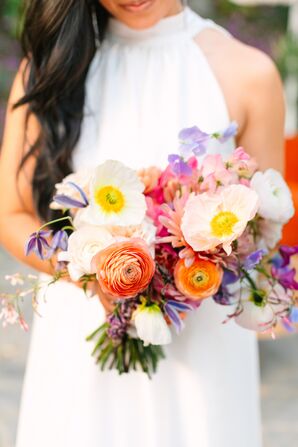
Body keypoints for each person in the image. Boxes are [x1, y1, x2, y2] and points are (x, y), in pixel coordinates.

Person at [0, 0, 285, 446]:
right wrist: (96, 274)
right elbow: (12, 215)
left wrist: (188, 260)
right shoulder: (52, 68)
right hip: (80, 345)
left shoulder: (249, 74)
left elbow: (267, 226)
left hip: (202, 352)